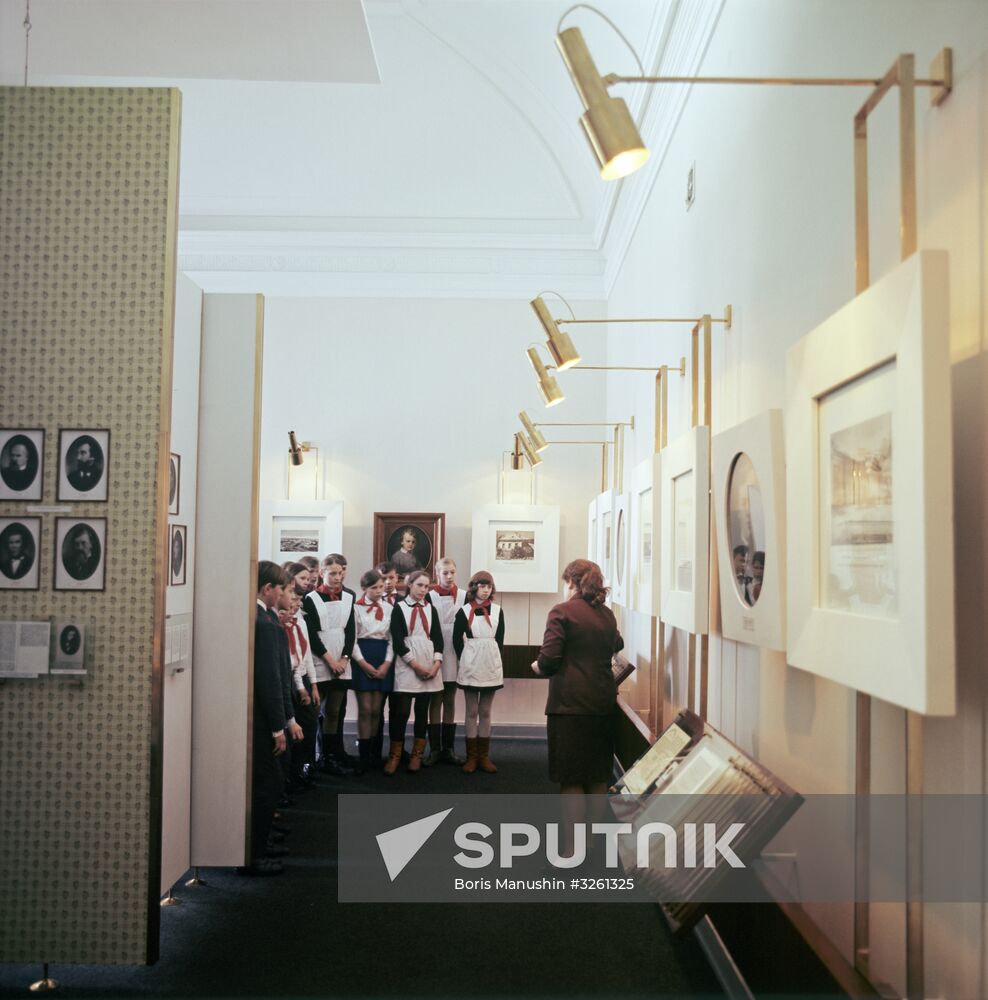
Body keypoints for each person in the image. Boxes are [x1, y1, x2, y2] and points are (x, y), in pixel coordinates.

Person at [532, 559, 623, 857]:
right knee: (597, 775)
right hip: (602, 702)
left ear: (571, 581)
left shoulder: (562, 612)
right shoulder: (607, 614)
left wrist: (537, 665)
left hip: (569, 705)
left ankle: (572, 848)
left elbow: (548, 660)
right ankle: (592, 842)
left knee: (571, 778)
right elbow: (616, 643)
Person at [242, 561, 294, 877]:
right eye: (282, 589)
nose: (282, 595)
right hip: (262, 720)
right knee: (266, 784)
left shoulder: (266, 618)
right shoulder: (262, 623)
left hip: (268, 717)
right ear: (268, 589)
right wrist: (279, 725)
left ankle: (259, 842)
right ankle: (253, 854)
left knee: (270, 782)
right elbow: (270, 680)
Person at [387, 569, 444, 774]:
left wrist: (436, 664)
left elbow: (438, 638)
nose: (423, 590)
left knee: (422, 712)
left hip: (429, 664)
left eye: (427, 586)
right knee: (401, 711)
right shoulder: (399, 608)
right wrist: (416, 666)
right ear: (409, 584)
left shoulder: (431, 609)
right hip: (409, 663)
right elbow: (398, 641)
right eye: (419, 585)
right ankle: (395, 755)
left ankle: (417, 754)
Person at [303, 555, 356, 776]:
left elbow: (351, 631)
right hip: (321, 659)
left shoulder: (348, 597)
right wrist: (330, 660)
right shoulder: (310, 598)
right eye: (332, 573)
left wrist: (344, 658)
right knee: (316, 711)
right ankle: (315, 756)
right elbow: (312, 635)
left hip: (342, 659)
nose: (337, 577)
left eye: (339, 573)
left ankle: (330, 756)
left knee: (334, 710)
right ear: (322, 573)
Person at [453, 570, 504, 774]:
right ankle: (471, 757)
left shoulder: (499, 611)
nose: (485, 590)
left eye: (489, 586)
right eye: (482, 586)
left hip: (490, 663)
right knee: (471, 711)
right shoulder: (464, 611)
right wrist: (466, 658)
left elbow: (499, 641)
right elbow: (457, 640)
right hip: (471, 663)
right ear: (474, 587)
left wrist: (492, 659)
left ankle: (484, 756)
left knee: (485, 712)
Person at [351, 568, 395, 773]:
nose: (379, 590)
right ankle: (363, 756)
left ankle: (375, 754)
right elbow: (351, 639)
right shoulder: (356, 608)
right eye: (374, 587)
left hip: (383, 655)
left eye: (381, 586)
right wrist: (362, 663)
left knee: (377, 710)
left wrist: (387, 663)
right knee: (365, 709)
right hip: (363, 656)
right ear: (364, 588)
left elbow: (393, 639)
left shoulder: (389, 608)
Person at [426, 557, 466, 765]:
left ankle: (448, 748)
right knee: (436, 698)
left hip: (455, 649)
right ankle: (434, 749)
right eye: (444, 573)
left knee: (450, 697)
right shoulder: (429, 595)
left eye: (452, 572)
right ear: (437, 574)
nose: (449, 576)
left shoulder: (463, 596)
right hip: (435, 648)